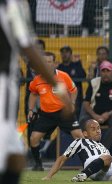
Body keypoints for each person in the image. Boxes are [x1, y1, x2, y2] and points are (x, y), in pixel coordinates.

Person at [0, 0, 72, 183]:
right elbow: (29, 48)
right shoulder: (10, 6)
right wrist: (60, 89)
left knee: (15, 154)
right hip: (3, 89)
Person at [28, 52, 84, 171]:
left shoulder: (64, 76)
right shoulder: (37, 79)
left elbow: (74, 90)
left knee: (79, 137)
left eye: (49, 62)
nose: (47, 65)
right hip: (46, 114)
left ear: (55, 64)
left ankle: (88, 163)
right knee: (33, 138)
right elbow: (33, 94)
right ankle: (38, 165)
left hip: (64, 113)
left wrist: (72, 103)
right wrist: (31, 110)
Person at [82, 61, 112, 151]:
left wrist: (108, 114)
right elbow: (86, 104)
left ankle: (102, 150)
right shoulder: (93, 83)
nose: (105, 73)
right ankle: (89, 150)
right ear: (100, 72)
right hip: (95, 115)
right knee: (84, 121)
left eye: (108, 71)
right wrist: (94, 115)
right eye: (103, 71)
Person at [58, 46, 86, 118]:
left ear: (71, 54)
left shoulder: (76, 65)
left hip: (76, 97)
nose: (64, 54)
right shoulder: (59, 67)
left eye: (66, 52)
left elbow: (83, 76)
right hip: (63, 97)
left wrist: (79, 63)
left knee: (76, 118)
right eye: (62, 53)